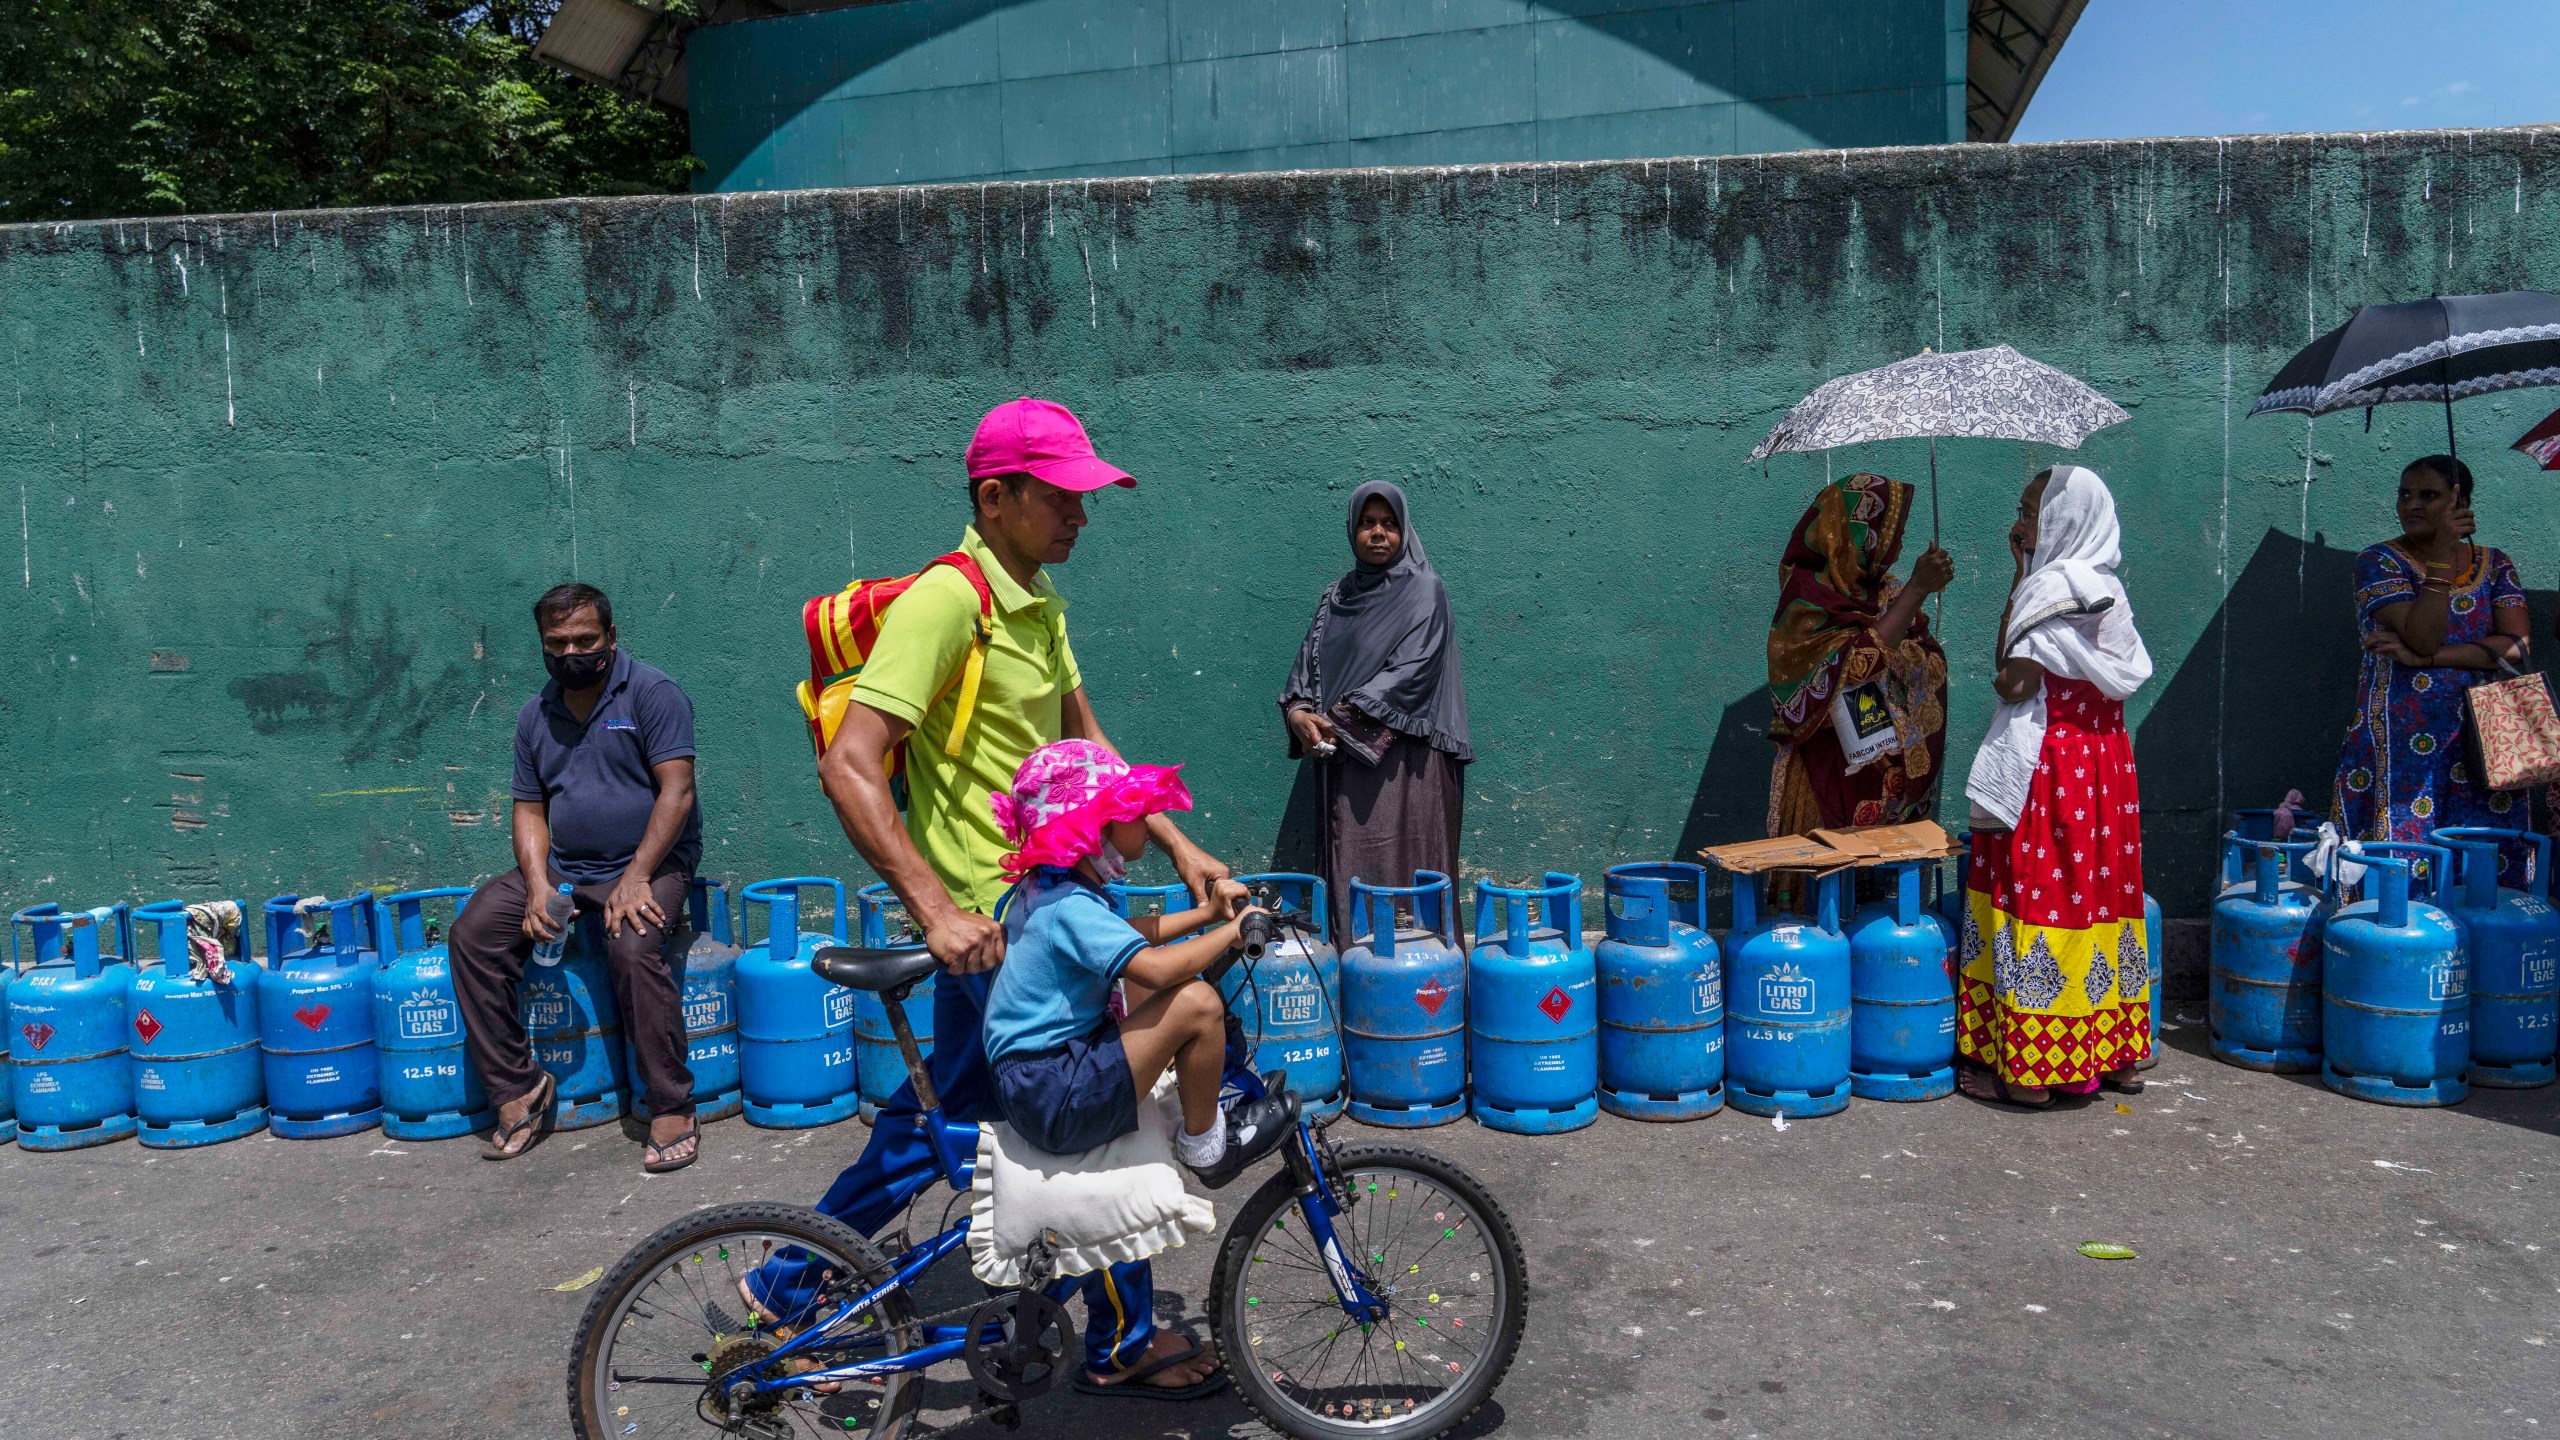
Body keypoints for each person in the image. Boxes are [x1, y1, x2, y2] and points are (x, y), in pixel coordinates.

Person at [747, 397, 1235, 1400]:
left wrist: (1182, 843)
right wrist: (933, 906)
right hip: (996, 926)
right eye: (1061, 498)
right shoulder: (948, 602)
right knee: (1097, 1110)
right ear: (995, 496)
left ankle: (786, 1275)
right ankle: (1123, 1338)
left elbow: (1088, 738)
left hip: (1032, 912)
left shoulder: (1037, 601)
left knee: (949, 1117)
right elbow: (851, 764)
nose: (1080, 518)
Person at [449, 583, 704, 1170]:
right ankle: (519, 1087)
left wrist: (638, 874)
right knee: (474, 935)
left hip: (650, 862)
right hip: (566, 868)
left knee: (635, 949)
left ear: (611, 638)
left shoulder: (652, 693)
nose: (572, 653)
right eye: (556, 643)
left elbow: (678, 790)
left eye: (585, 640)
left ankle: (671, 1103)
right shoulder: (535, 715)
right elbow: (530, 807)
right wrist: (537, 886)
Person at [982, 740, 1288, 1184]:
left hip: (1036, 1083)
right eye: (1132, 810)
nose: (1146, 821)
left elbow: (1125, 938)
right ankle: (1206, 1149)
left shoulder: (1047, 891)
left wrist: (1207, 914)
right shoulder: (1070, 906)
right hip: (1055, 1095)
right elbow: (1156, 969)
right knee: (1198, 1002)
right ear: (1096, 826)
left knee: (1158, 980)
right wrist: (1237, 929)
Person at [1957, 466, 2155, 1108]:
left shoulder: (2049, 587)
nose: (2020, 523)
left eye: (2030, 512)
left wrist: (2020, 578)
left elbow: (2011, 682)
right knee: (2099, 894)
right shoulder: (2108, 589)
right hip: (2106, 768)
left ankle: (2032, 1071)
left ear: (2064, 522)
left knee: (2039, 891)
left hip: (2052, 765)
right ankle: (2115, 1054)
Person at [1280, 482, 1471, 945]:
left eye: (1389, 523)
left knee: (1408, 882)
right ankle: (1358, 992)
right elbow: (1308, 668)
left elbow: (1413, 670)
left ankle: (1424, 999)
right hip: (1343, 763)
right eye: (1368, 523)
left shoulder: (1426, 591)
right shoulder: (1335, 598)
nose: (1379, 533)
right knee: (1352, 880)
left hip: (1410, 767)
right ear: (1353, 530)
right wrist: (1300, 714)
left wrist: (1338, 722)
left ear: (1404, 530)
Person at [2333, 454, 2533, 876]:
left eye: (2429, 495)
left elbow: (2516, 646)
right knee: (2405, 855)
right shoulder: (2379, 562)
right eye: (2405, 494)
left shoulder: (2496, 565)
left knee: (2485, 855)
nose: (2412, 505)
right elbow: (2421, 632)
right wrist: (2442, 557)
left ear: (2460, 502)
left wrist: (2428, 659)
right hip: (2402, 739)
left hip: (2485, 737)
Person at [1765, 473, 1953, 835]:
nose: (1894, 544)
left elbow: (1917, 654)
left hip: (1886, 785)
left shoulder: (1883, 591)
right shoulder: (1807, 602)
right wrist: (1917, 590)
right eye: (1885, 532)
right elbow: (1853, 668)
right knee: (1831, 883)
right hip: (1828, 777)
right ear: (1853, 536)